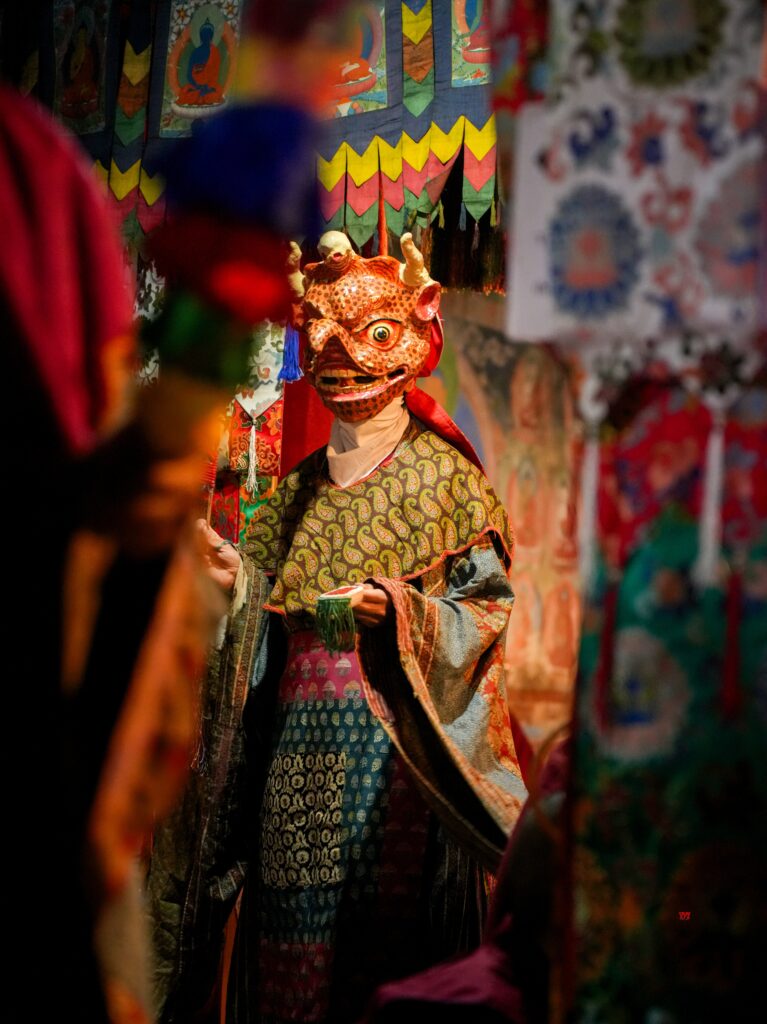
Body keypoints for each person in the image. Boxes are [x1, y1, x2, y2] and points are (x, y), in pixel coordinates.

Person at [148, 232, 529, 1024]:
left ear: (416, 342)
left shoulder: (446, 481)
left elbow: (488, 609)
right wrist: (236, 586)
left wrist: (400, 611)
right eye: (318, 337)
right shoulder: (291, 493)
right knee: (288, 933)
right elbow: (261, 622)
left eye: (372, 338)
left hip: (394, 757)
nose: (340, 360)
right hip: (292, 757)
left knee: (380, 940)